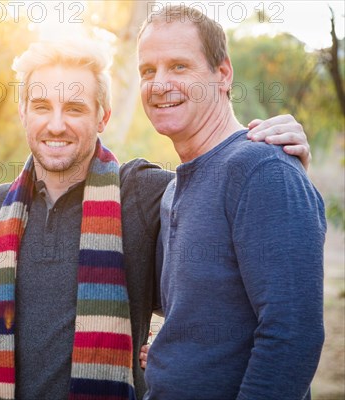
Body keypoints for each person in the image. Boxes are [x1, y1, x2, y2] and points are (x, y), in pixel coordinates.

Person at [0, 39, 312, 400]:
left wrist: (279, 165)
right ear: (22, 112)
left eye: (74, 108)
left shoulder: (144, 192)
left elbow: (235, 209)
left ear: (103, 116)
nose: (56, 125)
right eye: (41, 107)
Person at [137, 5, 326, 399]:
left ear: (222, 75)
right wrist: (172, 353)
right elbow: (204, 306)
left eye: (179, 66)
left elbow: (292, 333)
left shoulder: (262, 169)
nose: (159, 84)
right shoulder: (175, 189)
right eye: (147, 70)